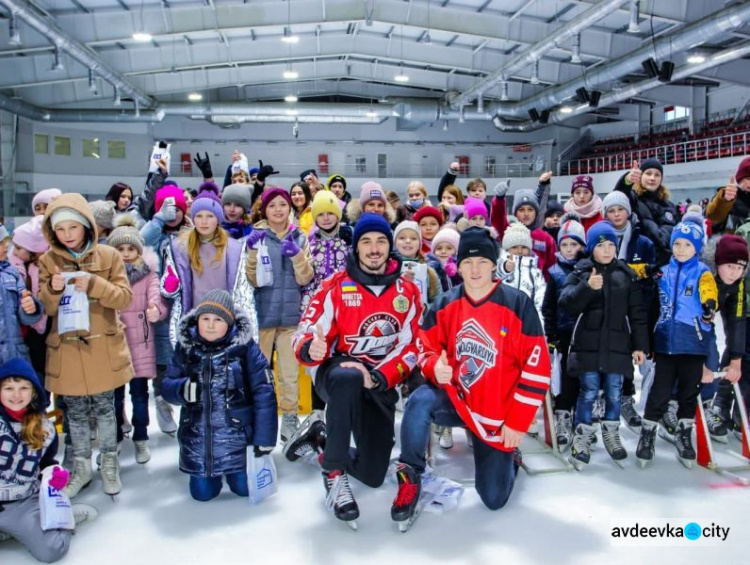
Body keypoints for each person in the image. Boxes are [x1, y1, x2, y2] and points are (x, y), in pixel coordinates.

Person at [390, 227, 550, 522]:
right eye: (467, 262)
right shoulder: (446, 303)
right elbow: (423, 347)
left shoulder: (518, 304)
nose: (475, 270)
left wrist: (517, 422)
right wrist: (432, 367)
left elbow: (538, 368)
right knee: (419, 400)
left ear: (494, 264)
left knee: (493, 498)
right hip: (457, 400)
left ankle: (509, 458)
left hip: (497, 411)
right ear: (459, 265)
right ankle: (410, 475)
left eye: (482, 262)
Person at [286, 213, 422, 527]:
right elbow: (304, 331)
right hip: (337, 374)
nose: (374, 249)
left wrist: (376, 377)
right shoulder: (336, 286)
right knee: (348, 374)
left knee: (373, 474)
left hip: (378, 380)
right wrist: (310, 346)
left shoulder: (408, 292)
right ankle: (332, 472)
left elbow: (413, 347)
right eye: (366, 242)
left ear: (389, 247)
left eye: (380, 242)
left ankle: (320, 437)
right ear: (356, 247)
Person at [38, 193, 134, 497]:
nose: (67, 235)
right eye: (60, 230)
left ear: (87, 227)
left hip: (102, 347)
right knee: (75, 412)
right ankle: (80, 466)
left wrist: (95, 284)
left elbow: (124, 298)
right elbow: (44, 309)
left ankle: (109, 462)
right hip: (67, 349)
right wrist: (51, 291)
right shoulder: (47, 260)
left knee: (106, 409)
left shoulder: (109, 256)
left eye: (73, 228)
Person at [162, 291, 277, 501]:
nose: (211, 325)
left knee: (243, 489)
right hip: (199, 440)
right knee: (202, 494)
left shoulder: (245, 348)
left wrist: (265, 439)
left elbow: (264, 393)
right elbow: (167, 384)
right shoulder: (186, 348)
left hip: (237, 438)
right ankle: (210, 476)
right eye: (205, 319)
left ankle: (235, 472)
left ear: (230, 323)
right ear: (197, 320)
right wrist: (181, 389)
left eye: (218, 320)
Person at [559, 221, 648, 469]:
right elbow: (566, 303)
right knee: (587, 392)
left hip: (618, 348)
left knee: (614, 393)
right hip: (587, 347)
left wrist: (639, 346)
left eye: (611, 245)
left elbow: (637, 313)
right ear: (591, 248)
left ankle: (611, 433)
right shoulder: (580, 272)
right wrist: (587, 288)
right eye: (601, 245)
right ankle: (583, 436)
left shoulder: (626, 275)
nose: (607, 250)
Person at [636, 222, 718, 468]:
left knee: (688, 393)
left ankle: (684, 432)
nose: (682, 249)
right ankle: (647, 432)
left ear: (697, 248)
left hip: (693, 343)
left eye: (688, 245)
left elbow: (708, 290)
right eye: (678, 244)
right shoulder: (663, 271)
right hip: (665, 344)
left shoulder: (702, 272)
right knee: (659, 391)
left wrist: (709, 305)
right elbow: (638, 271)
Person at [0, 358, 97, 562]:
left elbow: (47, 462)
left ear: (34, 391)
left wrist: (55, 474)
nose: (16, 395)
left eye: (23, 388)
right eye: (8, 388)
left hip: (22, 503)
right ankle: (11, 531)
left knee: (52, 550)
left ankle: (60, 520)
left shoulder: (45, 428)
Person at [245, 188, 313, 443]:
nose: (278, 210)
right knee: (261, 373)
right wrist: (252, 253)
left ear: (290, 208)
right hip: (262, 317)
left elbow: (306, 277)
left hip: (290, 319)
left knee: (289, 373)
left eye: (282, 205)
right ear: (265, 210)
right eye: (272, 205)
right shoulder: (257, 237)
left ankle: (290, 417)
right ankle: (262, 417)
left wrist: (296, 255)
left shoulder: (301, 237)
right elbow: (251, 279)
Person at [108, 216, 168, 464]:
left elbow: (157, 299)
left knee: (140, 394)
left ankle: (141, 437)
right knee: (115, 396)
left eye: (130, 248)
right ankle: (115, 436)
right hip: (113, 344)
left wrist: (156, 310)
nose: (125, 254)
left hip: (141, 343)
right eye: (120, 249)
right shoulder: (107, 276)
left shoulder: (149, 275)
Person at [601, 190, 657, 430]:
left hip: (636, 306)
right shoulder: (601, 239)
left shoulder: (642, 241)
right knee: (613, 356)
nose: (616, 215)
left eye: (620, 209)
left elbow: (651, 275)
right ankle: (612, 398)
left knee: (634, 354)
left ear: (628, 212)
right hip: (609, 308)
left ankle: (627, 399)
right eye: (611, 211)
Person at [542, 216, 586, 449]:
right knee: (565, 379)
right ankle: (563, 416)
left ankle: (582, 420)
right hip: (564, 335)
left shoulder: (589, 269)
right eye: (565, 244)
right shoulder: (555, 272)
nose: (569, 250)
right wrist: (551, 336)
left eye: (574, 244)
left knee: (585, 379)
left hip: (586, 335)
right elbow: (548, 307)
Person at [701, 234, 747, 442]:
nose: (734, 272)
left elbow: (737, 320)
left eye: (740, 268)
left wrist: (736, 360)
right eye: (730, 266)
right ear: (718, 262)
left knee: (718, 358)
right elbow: (694, 320)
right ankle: (673, 409)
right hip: (683, 324)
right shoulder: (704, 275)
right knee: (703, 359)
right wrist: (700, 361)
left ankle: (714, 405)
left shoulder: (738, 283)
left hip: (706, 321)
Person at [614, 159, 678, 264]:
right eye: (648, 173)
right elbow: (619, 197)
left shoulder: (670, 206)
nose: (652, 178)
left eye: (657, 175)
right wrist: (626, 180)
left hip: (666, 264)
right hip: (639, 262)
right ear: (640, 176)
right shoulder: (633, 199)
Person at [490, 180, 557, 278]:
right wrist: (499, 199)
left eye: (530, 209)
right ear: (515, 213)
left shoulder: (546, 239)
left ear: (536, 212)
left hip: (538, 290)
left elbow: (552, 269)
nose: (526, 214)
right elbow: (498, 220)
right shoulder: (510, 232)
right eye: (521, 210)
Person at [0, 225, 43, 366]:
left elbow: (24, 316)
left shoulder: (12, 273)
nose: (6, 246)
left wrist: (30, 307)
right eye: (0, 243)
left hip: (14, 354)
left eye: (6, 241)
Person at [705, 156, 750, 231]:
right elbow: (713, 217)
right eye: (748, 179)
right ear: (740, 180)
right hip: (735, 241)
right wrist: (724, 201)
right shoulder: (729, 196)